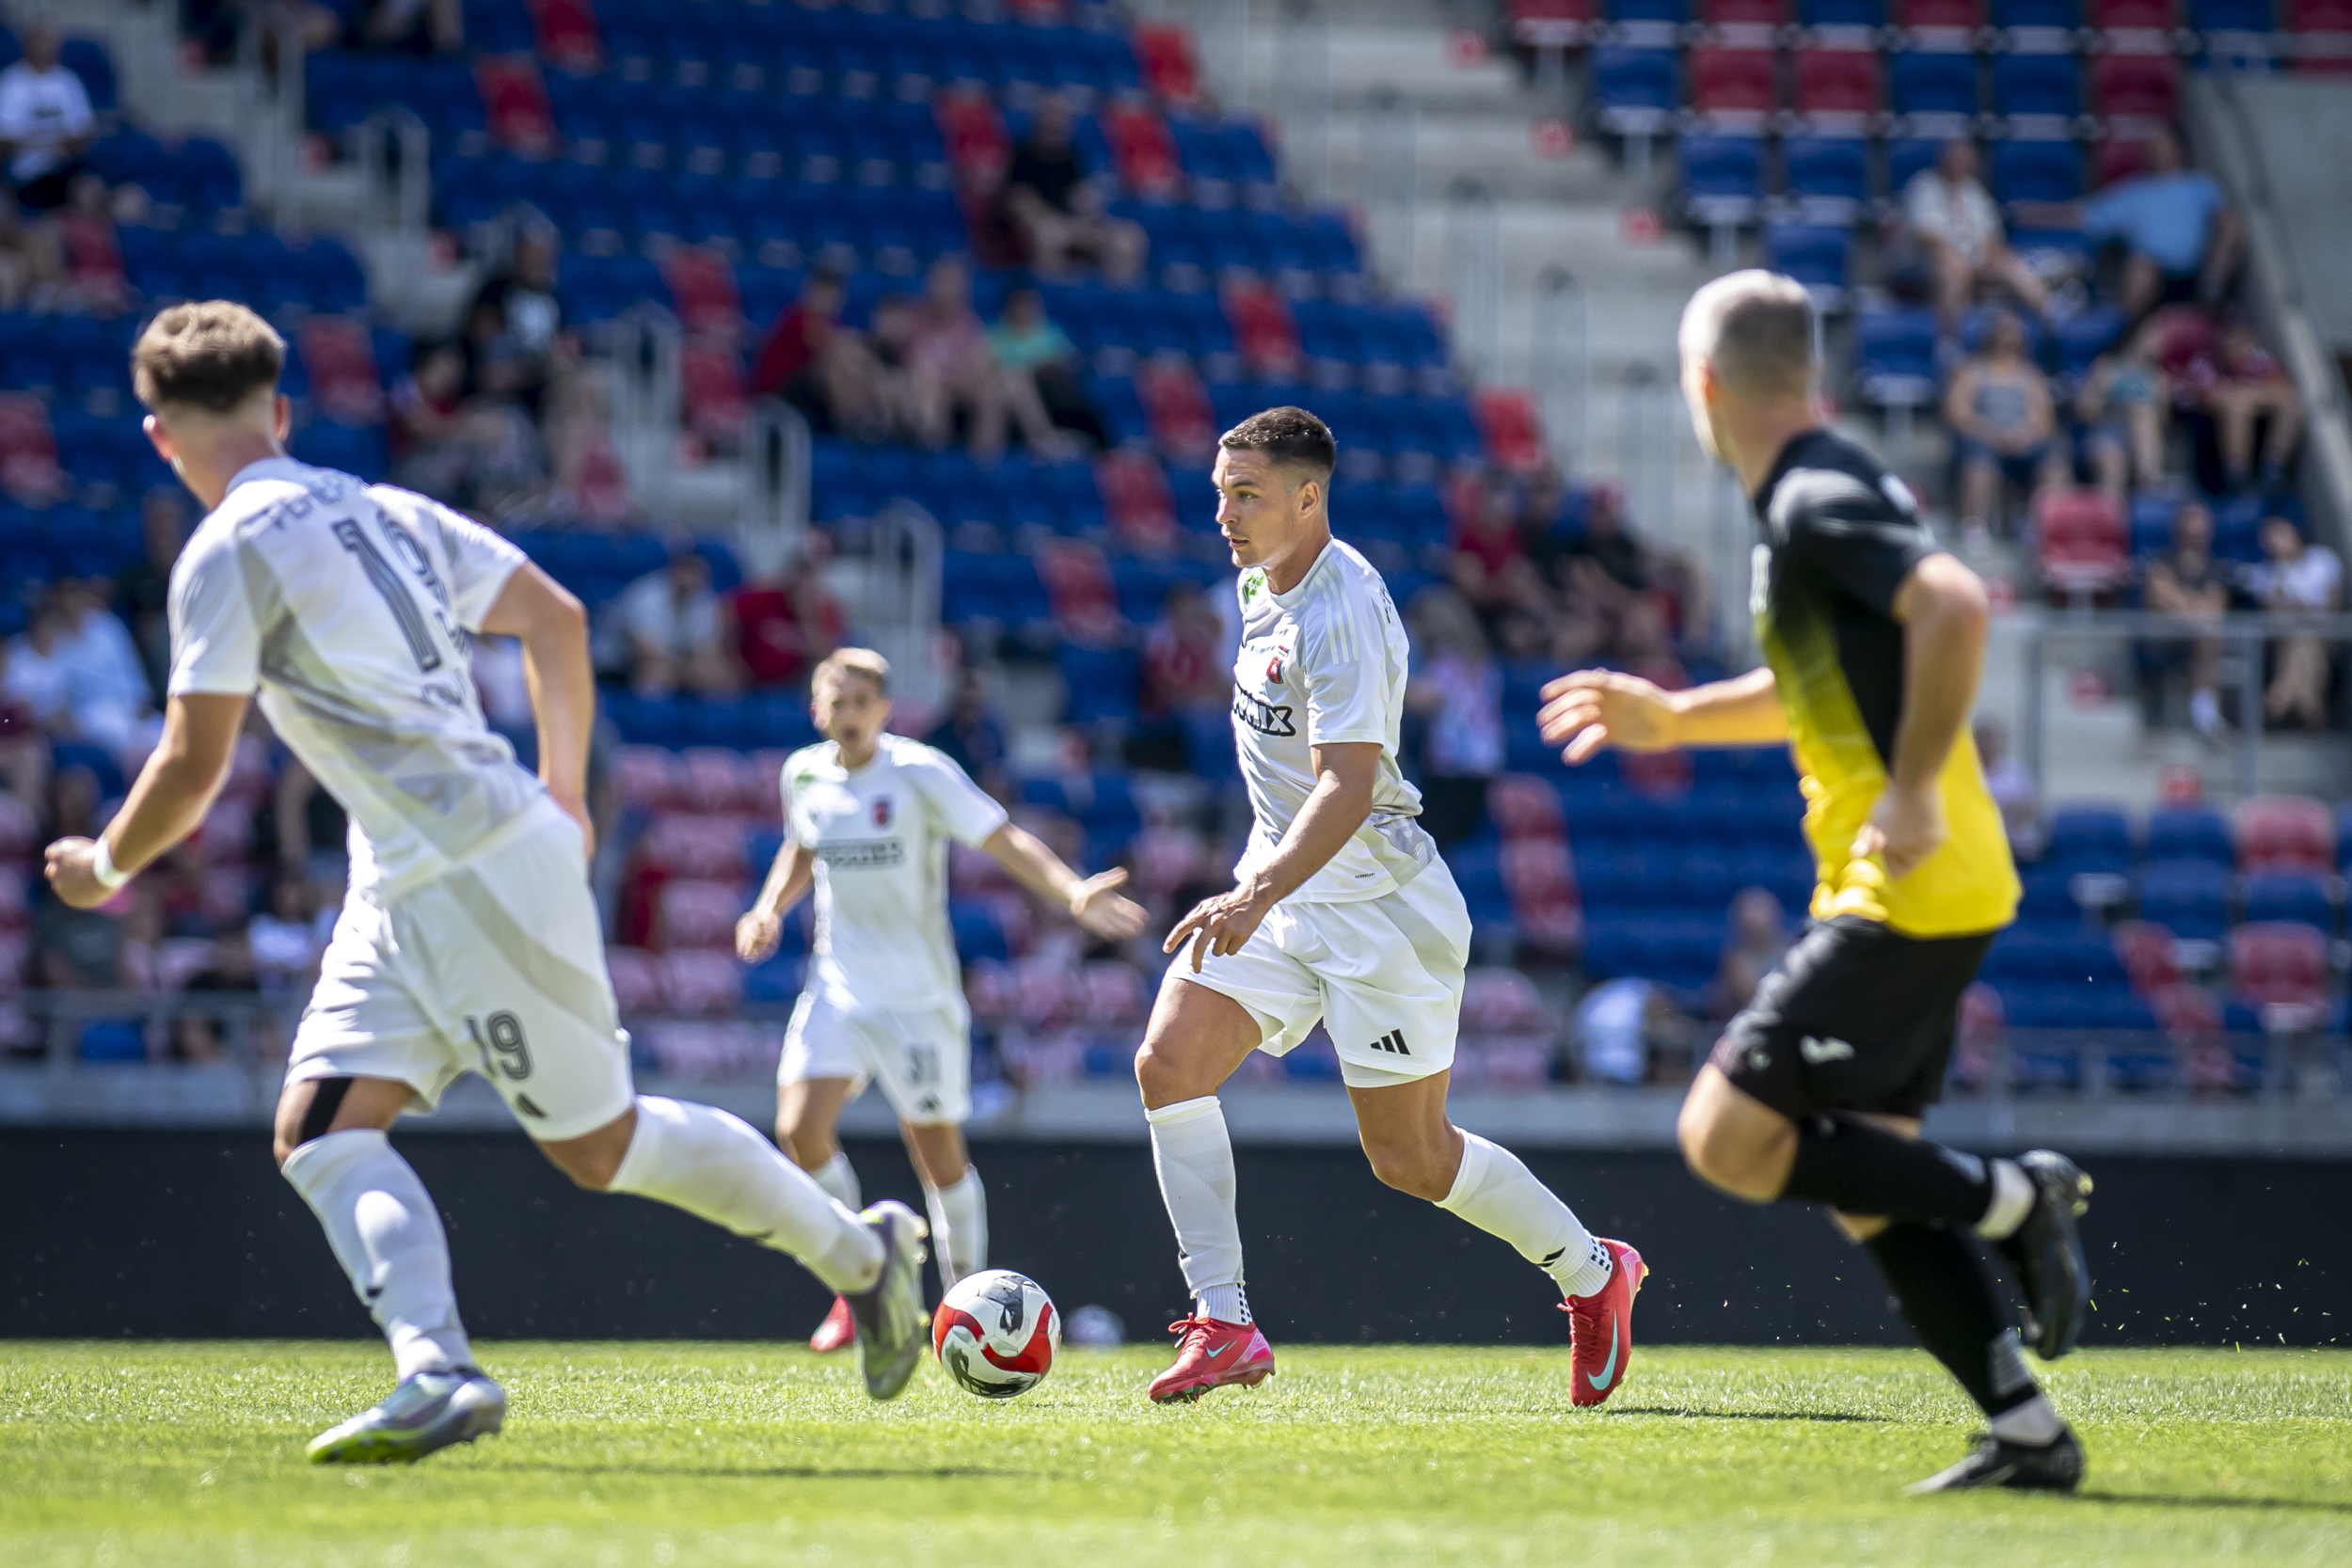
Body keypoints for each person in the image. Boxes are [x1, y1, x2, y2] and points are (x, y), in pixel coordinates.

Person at [43, 300, 933, 1465]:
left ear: (160, 433)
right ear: (282, 411)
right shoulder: (381, 505)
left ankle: (867, 1259)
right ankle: (439, 1368)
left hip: (465, 865)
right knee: (319, 1131)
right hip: (408, 872)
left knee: (597, 1146)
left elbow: (193, 760)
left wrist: (103, 863)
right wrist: (562, 789)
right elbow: (553, 618)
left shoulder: (222, 551)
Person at [1539, 272, 2093, 1493]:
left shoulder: (1808, 496)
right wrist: (1676, 717)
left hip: (1908, 880)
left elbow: (1952, 600)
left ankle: (2014, 1197)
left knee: (1728, 1131)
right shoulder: (1826, 481)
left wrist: (1903, 787)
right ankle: (2025, 1427)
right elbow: (1820, 683)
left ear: (1705, 388)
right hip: (1924, 878)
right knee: (1863, 1177)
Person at [1134, 406, 1645, 1406]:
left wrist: (1252, 889)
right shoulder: (1254, 585)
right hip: (1285, 890)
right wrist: (1264, 884)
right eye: (1219, 491)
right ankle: (1225, 1320)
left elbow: (1348, 784)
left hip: (1380, 907)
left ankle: (1593, 1270)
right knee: (1168, 1061)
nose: (1224, 512)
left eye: (1245, 494)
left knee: (1411, 1158)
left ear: (1308, 495)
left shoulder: (1343, 607)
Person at [737, 648, 1147, 1354]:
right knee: (800, 1130)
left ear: (885, 709)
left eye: (862, 700)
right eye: (837, 701)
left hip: (918, 998)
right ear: (817, 710)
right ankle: (863, 1280)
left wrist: (1071, 890)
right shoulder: (801, 772)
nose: (849, 713)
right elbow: (800, 846)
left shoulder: (920, 772)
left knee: (938, 1156)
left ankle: (970, 1305)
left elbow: (1002, 836)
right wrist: (769, 908)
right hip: (836, 983)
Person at [2025, 127, 2239, 322]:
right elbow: (2083, 215)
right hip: (2154, 277)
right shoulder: (2134, 192)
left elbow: (2225, 218)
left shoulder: (2200, 184)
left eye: (2164, 145)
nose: (2158, 152)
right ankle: (2125, 333)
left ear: (2179, 150)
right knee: (2140, 267)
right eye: (2152, 147)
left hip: (2202, 273)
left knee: (2231, 225)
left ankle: (2214, 298)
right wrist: (2028, 214)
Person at [1942, 310, 2066, 546]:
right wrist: (1993, 435)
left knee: (2054, 461)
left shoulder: (2030, 375)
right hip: (1983, 439)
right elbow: (1959, 414)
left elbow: (2043, 421)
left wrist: (2023, 435)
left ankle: (2040, 527)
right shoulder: (1972, 370)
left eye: (2013, 333)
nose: (2008, 338)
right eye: (2003, 332)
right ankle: (1974, 526)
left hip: (2022, 443)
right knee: (1979, 457)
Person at [1900, 139, 2047, 328]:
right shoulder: (1924, 186)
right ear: (1943, 160)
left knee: (2012, 263)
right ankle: (1950, 335)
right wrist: (1963, 260)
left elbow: (1991, 234)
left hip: (1972, 259)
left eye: (1967, 161)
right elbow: (1927, 237)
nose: (1963, 165)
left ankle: (2049, 319)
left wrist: (1988, 258)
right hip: (1925, 261)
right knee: (1954, 266)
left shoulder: (1973, 190)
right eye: (1958, 159)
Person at [999, 95, 1147, 281]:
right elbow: (1018, 201)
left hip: (1071, 224)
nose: (1057, 123)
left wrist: (1088, 217)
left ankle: (1118, 301)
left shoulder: (1070, 157)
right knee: (1050, 236)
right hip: (1041, 225)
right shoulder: (1022, 155)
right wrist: (1051, 221)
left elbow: (1080, 196)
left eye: (1061, 117)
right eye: (1051, 116)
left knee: (1127, 238)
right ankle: (1057, 298)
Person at [1403, 587, 1504, 848]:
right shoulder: (1483, 663)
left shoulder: (1445, 664)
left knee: (1432, 842)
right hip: (1485, 762)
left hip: (1453, 764)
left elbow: (1423, 699)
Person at [751, 270, 894, 442]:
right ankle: (849, 424)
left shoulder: (835, 323)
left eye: (834, 293)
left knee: (861, 366)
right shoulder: (797, 318)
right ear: (811, 290)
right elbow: (829, 343)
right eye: (824, 291)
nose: (829, 298)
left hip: (814, 394)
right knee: (837, 365)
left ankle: (877, 423)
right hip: (782, 390)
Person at [2139, 500, 2232, 740]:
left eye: (2202, 526)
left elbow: (2215, 608)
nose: (2196, 532)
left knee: (2209, 635)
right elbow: (2162, 599)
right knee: (2208, 631)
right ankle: (2205, 711)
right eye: (2191, 525)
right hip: (2164, 639)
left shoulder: (2215, 567)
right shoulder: (2163, 560)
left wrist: (2181, 601)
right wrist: (2192, 606)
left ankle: (2204, 713)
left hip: (2201, 641)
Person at [605, 541, 738, 699]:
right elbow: (647, 652)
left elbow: (707, 652)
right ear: (674, 571)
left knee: (720, 676)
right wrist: (687, 670)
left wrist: (694, 671)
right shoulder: (646, 597)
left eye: (697, 572)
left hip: (676, 662)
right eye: (686, 570)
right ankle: (650, 719)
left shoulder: (705, 600)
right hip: (620, 664)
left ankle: (713, 722)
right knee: (657, 674)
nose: (691, 578)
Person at [2246, 514, 2341, 732]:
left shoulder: (2324, 560)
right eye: (2268, 538)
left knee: (2304, 638)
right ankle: (2310, 709)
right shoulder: (2265, 574)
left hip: (2328, 636)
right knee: (2303, 642)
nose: (2274, 542)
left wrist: (2297, 608)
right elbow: (2275, 616)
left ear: (2295, 533)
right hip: (2285, 641)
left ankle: (2279, 696)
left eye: (2279, 535)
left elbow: (2331, 608)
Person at [2191, 315, 2302, 495]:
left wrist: (2247, 395)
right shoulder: (2206, 361)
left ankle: (2273, 469)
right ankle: (2237, 476)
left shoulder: (2262, 361)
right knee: (2237, 407)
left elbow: (2283, 392)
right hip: (2213, 437)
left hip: (2259, 431)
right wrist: (2251, 396)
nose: (2235, 342)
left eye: (2242, 337)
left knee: (2292, 402)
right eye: (2230, 336)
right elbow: (2209, 398)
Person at [0, 24, 97, 213]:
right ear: (27, 44)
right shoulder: (11, 82)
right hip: (27, 172)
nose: (47, 47)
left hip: (66, 166)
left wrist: (37, 139)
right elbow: (4, 141)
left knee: (93, 187)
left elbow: (84, 134)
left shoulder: (68, 80)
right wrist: (53, 140)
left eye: (52, 42)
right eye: (41, 41)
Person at [2074, 322, 2169, 498]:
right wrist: (2103, 391)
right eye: (2153, 336)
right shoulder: (2106, 367)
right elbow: (2083, 412)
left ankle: (2149, 482)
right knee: (2113, 462)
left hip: (2143, 441)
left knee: (2142, 412)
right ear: (2136, 337)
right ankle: (2110, 517)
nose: (2160, 342)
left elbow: (2164, 423)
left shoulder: (2158, 376)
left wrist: (2162, 399)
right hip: (2106, 432)